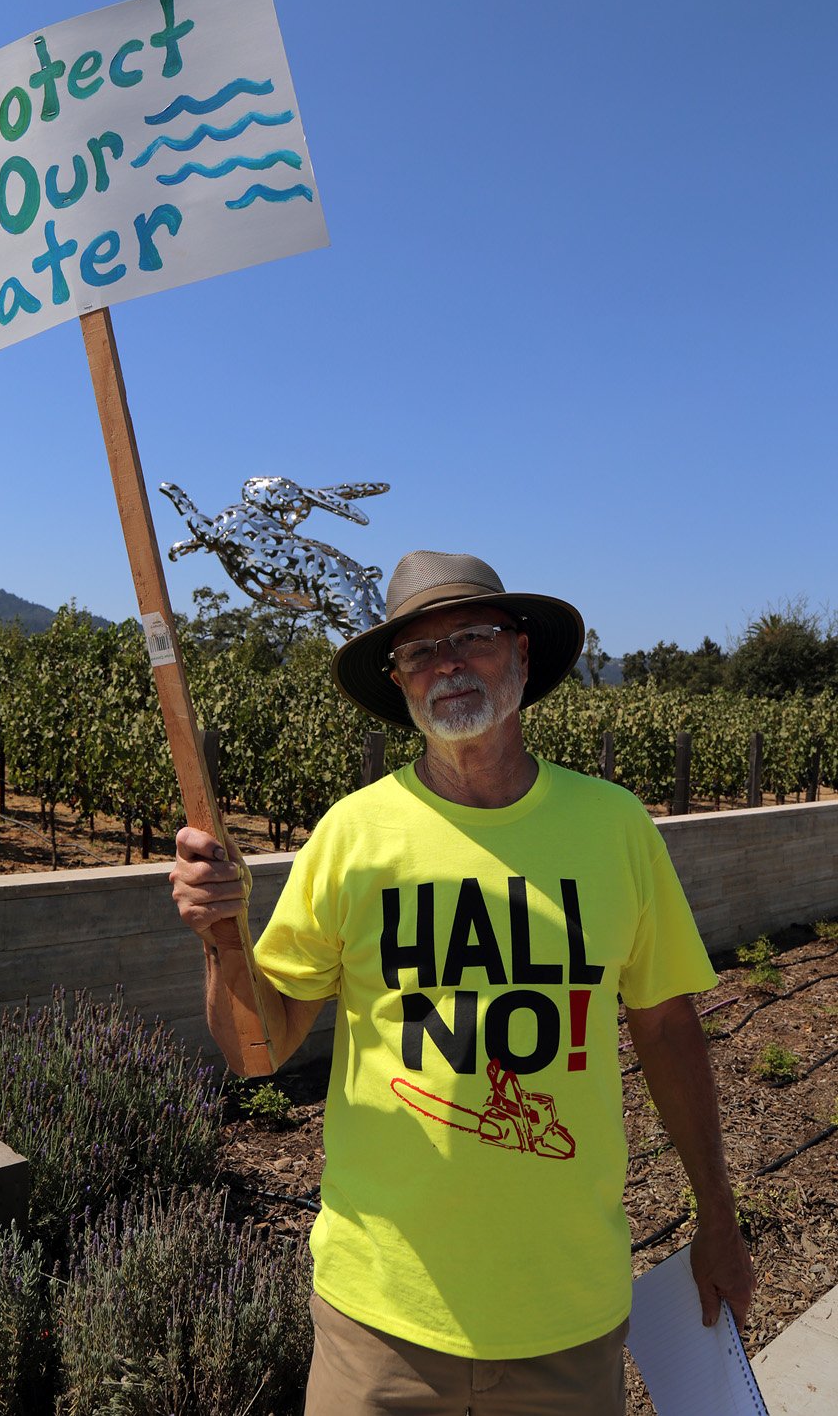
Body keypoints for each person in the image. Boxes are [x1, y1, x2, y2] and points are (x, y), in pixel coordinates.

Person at [171, 551, 754, 1416]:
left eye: (471, 639)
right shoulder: (354, 835)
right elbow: (260, 1050)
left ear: (520, 653)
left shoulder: (615, 827)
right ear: (401, 684)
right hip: (380, 1325)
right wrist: (223, 938)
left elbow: (667, 1027)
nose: (445, 664)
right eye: (417, 652)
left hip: (566, 1317)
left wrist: (718, 1215)